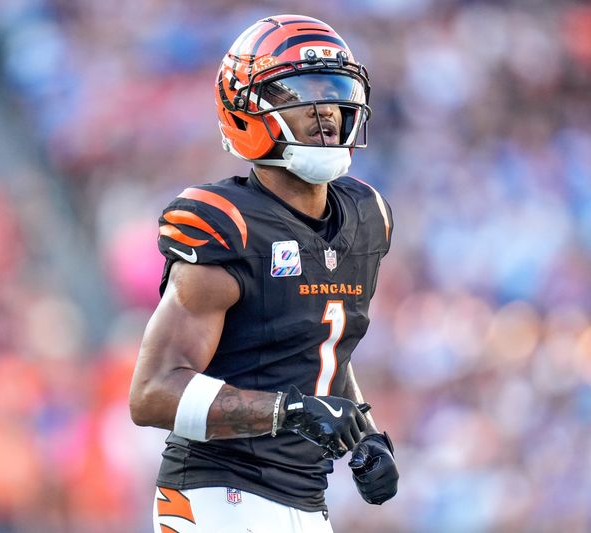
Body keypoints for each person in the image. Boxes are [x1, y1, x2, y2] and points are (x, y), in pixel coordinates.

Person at [130, 14, 399, 533]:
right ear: (249, 110)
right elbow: (152, 393)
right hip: (215, 494)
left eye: (337, 92)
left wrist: (363, 434)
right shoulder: (225, 223)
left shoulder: (368, 216)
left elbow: (318, 345)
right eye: (305, 93)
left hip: (306, 497)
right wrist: (290, 411)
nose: (327, 111)